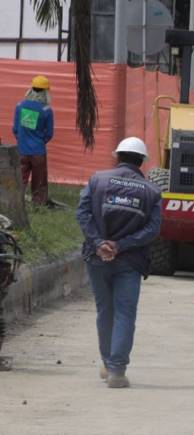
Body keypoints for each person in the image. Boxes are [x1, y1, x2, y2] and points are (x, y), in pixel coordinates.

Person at [74, 137, 162, 389]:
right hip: (130, 262)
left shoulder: (97, 180)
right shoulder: (152, 191)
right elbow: (152, 229)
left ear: (117, 156)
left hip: (97, 258)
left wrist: (99, 242)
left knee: (105, 311)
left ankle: (107, 361)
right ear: (142, 162)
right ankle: (117, 370)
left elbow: (82, 213)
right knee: (125, 313)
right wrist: (121, 246)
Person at [12, 75, 54, 205]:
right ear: (46, 91)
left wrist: (22, 140)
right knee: (39, 180)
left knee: (20, 178)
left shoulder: (20, 106)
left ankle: (16, 202)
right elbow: (49, 134)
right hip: (38, 152)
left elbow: (15, 129)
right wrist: (39, 141)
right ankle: (39, 204)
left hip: (21, 150)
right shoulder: (46, 110)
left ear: (31, 89)